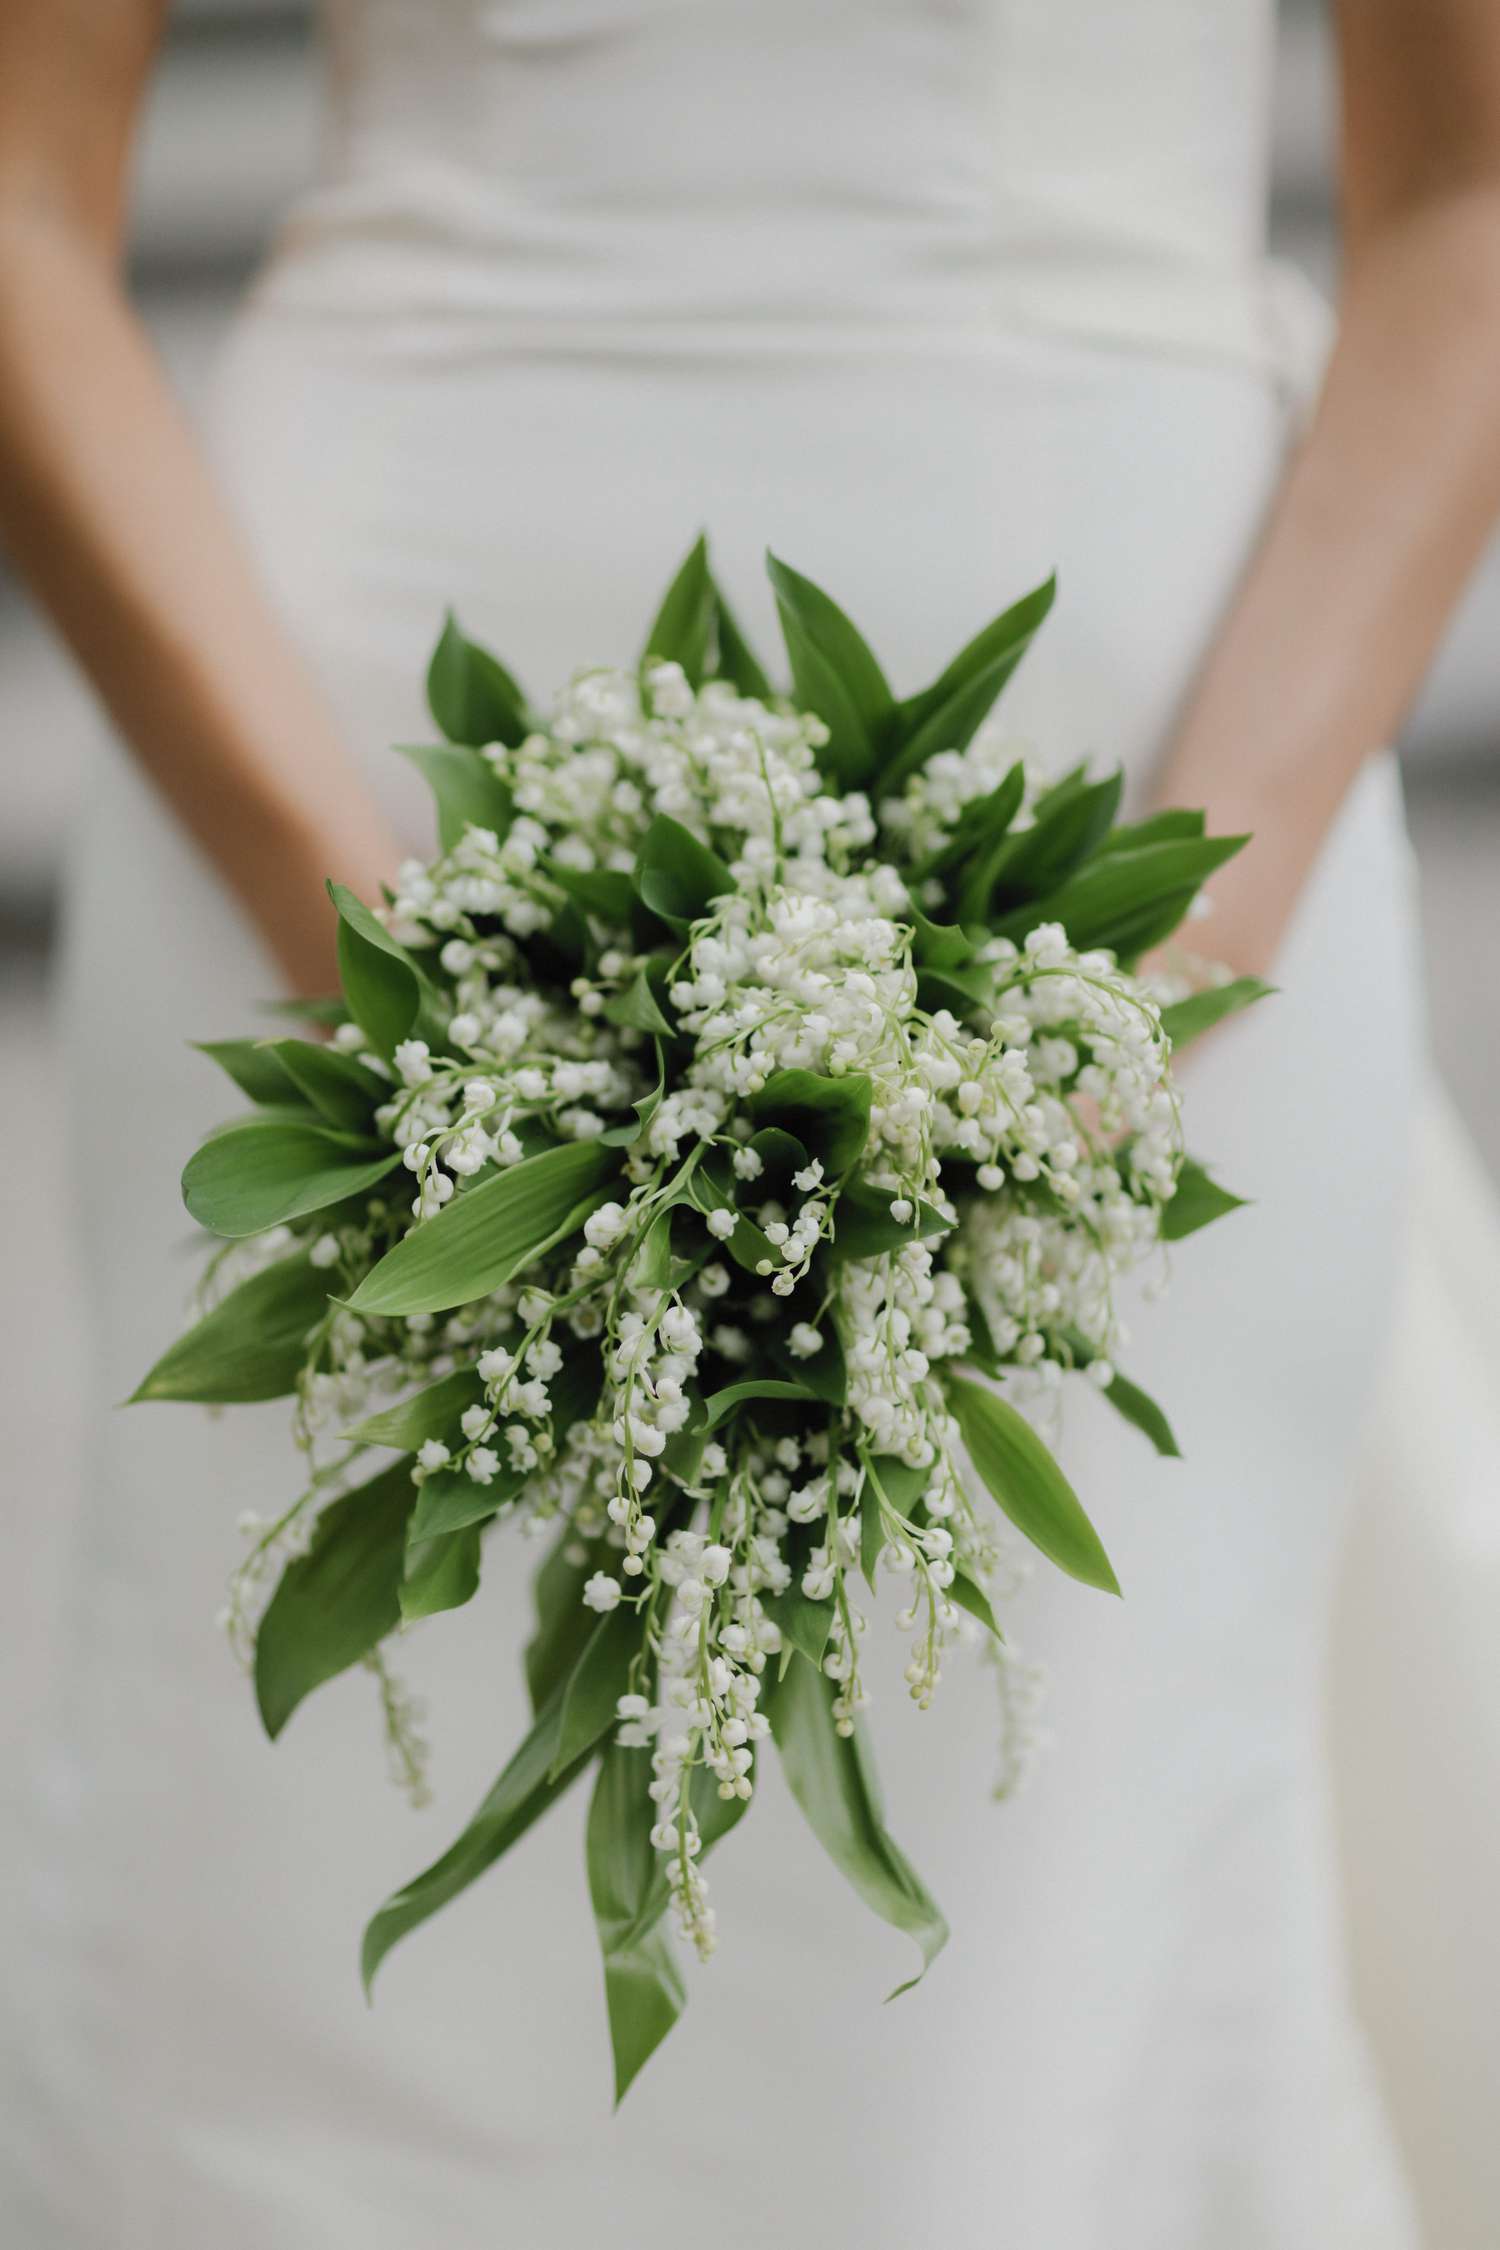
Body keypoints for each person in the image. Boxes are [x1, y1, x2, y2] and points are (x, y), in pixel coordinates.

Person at [1, 3, 1497, 2244]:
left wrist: (1127, 991)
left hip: (1155, 761)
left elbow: (1467, 196)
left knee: (1031, 2015)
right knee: (308, 1978)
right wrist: (387, 962)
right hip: (334, 756)